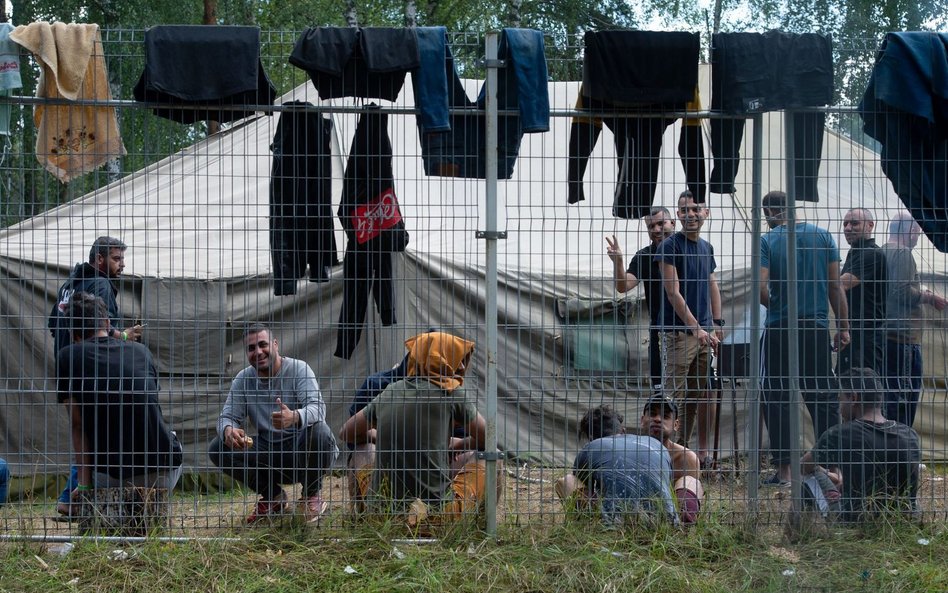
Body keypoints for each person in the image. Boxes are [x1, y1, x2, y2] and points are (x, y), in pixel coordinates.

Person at [339, 331, 491, 519]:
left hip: (385, 517)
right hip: (437, 518)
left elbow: (346, 432)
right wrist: (458, 444)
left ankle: (363, 522)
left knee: (361, 451)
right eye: (456, 358)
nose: (461, 366)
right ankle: (481, 528)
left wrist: (382, 436)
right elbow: (490, 437)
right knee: (493, 458)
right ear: (443, 360)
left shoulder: (390, 391)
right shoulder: (453, 395)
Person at [56, 292, 183, 508]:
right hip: (161, 473)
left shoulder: (69, 356)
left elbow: (78, 426)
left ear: (73, 333)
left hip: (109, 478)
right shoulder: (141, 351)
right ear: (106, 323)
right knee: (172, 436)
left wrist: (85, 487)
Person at [48, 236, 144, 516]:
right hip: (92, 366)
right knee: (94, 430)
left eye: (123, 259)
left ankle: (72, 497)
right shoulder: (100, 284)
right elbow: (100, 329)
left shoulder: (69, 284)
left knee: (83, 429)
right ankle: (72, 498)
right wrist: (125, 335)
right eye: (116, 259)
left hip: (67, 364)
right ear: (99, 259)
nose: (122, 265)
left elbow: (55, 325)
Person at [759, 190, 848, 485]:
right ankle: (830, 467)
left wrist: (780, 306)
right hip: (816, 328)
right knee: (823, 396)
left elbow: (760, 288)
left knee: (778, 396)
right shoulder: (823, 237)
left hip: (780, 327)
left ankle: (785, 472)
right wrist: (844, 326)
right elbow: (836, 287)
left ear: (770, 212)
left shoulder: (767, 240)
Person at [208, 324, 339, 524]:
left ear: (275, 345)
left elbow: (318, 409)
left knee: (320, 431)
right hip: (268, 452)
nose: (258, 352)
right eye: (251, 348)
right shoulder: (243, 379)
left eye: (263, 344)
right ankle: (273, 497)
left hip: (301, 450)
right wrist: (228, 429)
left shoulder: (299, 369)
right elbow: (226, 416)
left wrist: (295, 416)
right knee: (218, 447)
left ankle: (311, 495)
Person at [655, 190, 723, 465]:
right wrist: (696, 328)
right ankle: (661, 458)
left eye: (696, 209)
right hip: (679, 335)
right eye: (684, 210)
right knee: (672, 398)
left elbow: (712, 285)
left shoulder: (706, 248)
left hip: (705, 335)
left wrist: (717, 325)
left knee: (696, 396)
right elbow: (673, 293)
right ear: (678, 214)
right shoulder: (669, 246)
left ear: (705, 213)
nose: (690, 214)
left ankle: (683, 455)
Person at [801, 368, 920, 522]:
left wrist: (823, 472)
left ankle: (800, 533)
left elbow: (803, 467)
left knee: (805, 475)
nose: (839, 408)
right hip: (902, 519)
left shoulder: (840, 434)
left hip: (855, 519)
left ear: (854, 398)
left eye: (840, 399)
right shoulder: (910, 434)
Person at [554, 405, 679, 526]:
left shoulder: (591, 448)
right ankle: (685, 525)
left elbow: (586, 485)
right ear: (623, 430)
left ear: (591, 438)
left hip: (615, 525)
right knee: (689, 481)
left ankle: (589, 527)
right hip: (664, 522)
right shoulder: (654, 443)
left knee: (566, 481)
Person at [881, 212, 948, 427]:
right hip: (902, 339)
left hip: (886, 335)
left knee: (890, 394)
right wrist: (929, 296)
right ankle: (900, 451)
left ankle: (890, 449)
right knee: (903, 397)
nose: (918, 238)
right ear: (911, 231)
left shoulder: (882, 251)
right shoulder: (902, 253)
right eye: (918, 233)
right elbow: (899, 291)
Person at [606, 206, 676, 389]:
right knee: (661, 391)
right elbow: (623, 286)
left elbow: (709, 286)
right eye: (651, 226)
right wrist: (618, 262)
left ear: (673, 223)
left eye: (661, 224)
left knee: (693, 389)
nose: (656, 230)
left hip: (692, 330)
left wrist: (714, 323)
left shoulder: (688, 249)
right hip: (659, 332)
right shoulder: (644, 256)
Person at [639, 394, 704, 524]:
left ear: (676, 425)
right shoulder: (628, 450)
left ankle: (684, 524)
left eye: (665, 416)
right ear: (642, 420)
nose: (657, 419)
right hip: (636, 511)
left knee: (691, 482)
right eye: (652, 414)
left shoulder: (686, 457)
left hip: (671, 514)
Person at [839, 208, 888, 374]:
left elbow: (840, 285)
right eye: (845, 223)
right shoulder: (855, 253)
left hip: (866, 337)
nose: (847, 228)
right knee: (847, 386)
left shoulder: (871, 254)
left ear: (870, 226)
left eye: (854, 223)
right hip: (855, 334)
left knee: (862, 390)